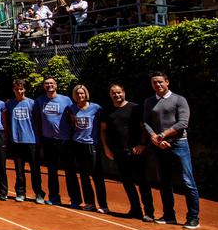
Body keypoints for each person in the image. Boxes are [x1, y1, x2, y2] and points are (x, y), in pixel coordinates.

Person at [143, 72, 200, 229]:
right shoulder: (149, 101)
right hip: (159, 147)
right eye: (154, 83)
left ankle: (193, 218)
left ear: (167, 82)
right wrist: (155, 138)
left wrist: (162, 135)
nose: (158, 85)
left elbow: (183, 123)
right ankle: (169, 216)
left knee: (188, 181)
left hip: (179, 144)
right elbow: (146, 122)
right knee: (164, 182)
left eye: (160, 82)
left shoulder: (179, 100)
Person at [101, 83, 154, 220]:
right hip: (119, 152)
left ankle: (149, 212)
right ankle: (135, 209)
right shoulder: (107, 110)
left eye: (119, 92)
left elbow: (144, 128)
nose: (117, 95)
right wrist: (106, 148)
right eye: (114, 93)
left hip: (136, 151)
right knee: (127, 182)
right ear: (110, 95)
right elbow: (103, 130)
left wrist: (142, 144)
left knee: (143, 182)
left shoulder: (135, 108)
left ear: (124, 92)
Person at [34, 77, 80, 207]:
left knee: (69, 171)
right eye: (47, 84)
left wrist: (72, 135)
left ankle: (75, 199)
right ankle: (54, 197)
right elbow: (37, 119)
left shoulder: (66, 100)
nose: (49, 85)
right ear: (44, 86)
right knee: (52, 170)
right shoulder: (40, 100)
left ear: (56, 85)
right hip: (48, 141)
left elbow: (73, 118)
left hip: (65, 140)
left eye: (51, 83)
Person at [65, 84, 107, 212]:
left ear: (86, 94)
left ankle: (103, 205)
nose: (80, 96)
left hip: (92, 144)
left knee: (97, 176)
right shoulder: (72, 108)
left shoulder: (96, 108)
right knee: (83, 175)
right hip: (78, 144)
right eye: (77, 94)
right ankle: (90, 203)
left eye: (82, 93)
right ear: (74, 96)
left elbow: (102, 127)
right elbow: (72, 124)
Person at [6, 79, 44, 204]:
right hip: (17, 141)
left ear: (25, 89)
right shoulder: (10, 104)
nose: (19, 91)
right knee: (19, 170)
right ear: (13, 90)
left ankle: (38, 193)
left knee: (35, 169)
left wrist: (39, 138)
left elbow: (38, 121)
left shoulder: (32, 103)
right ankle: (20, 192)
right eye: (17, 89)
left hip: (32, 141)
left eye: (21, 89)